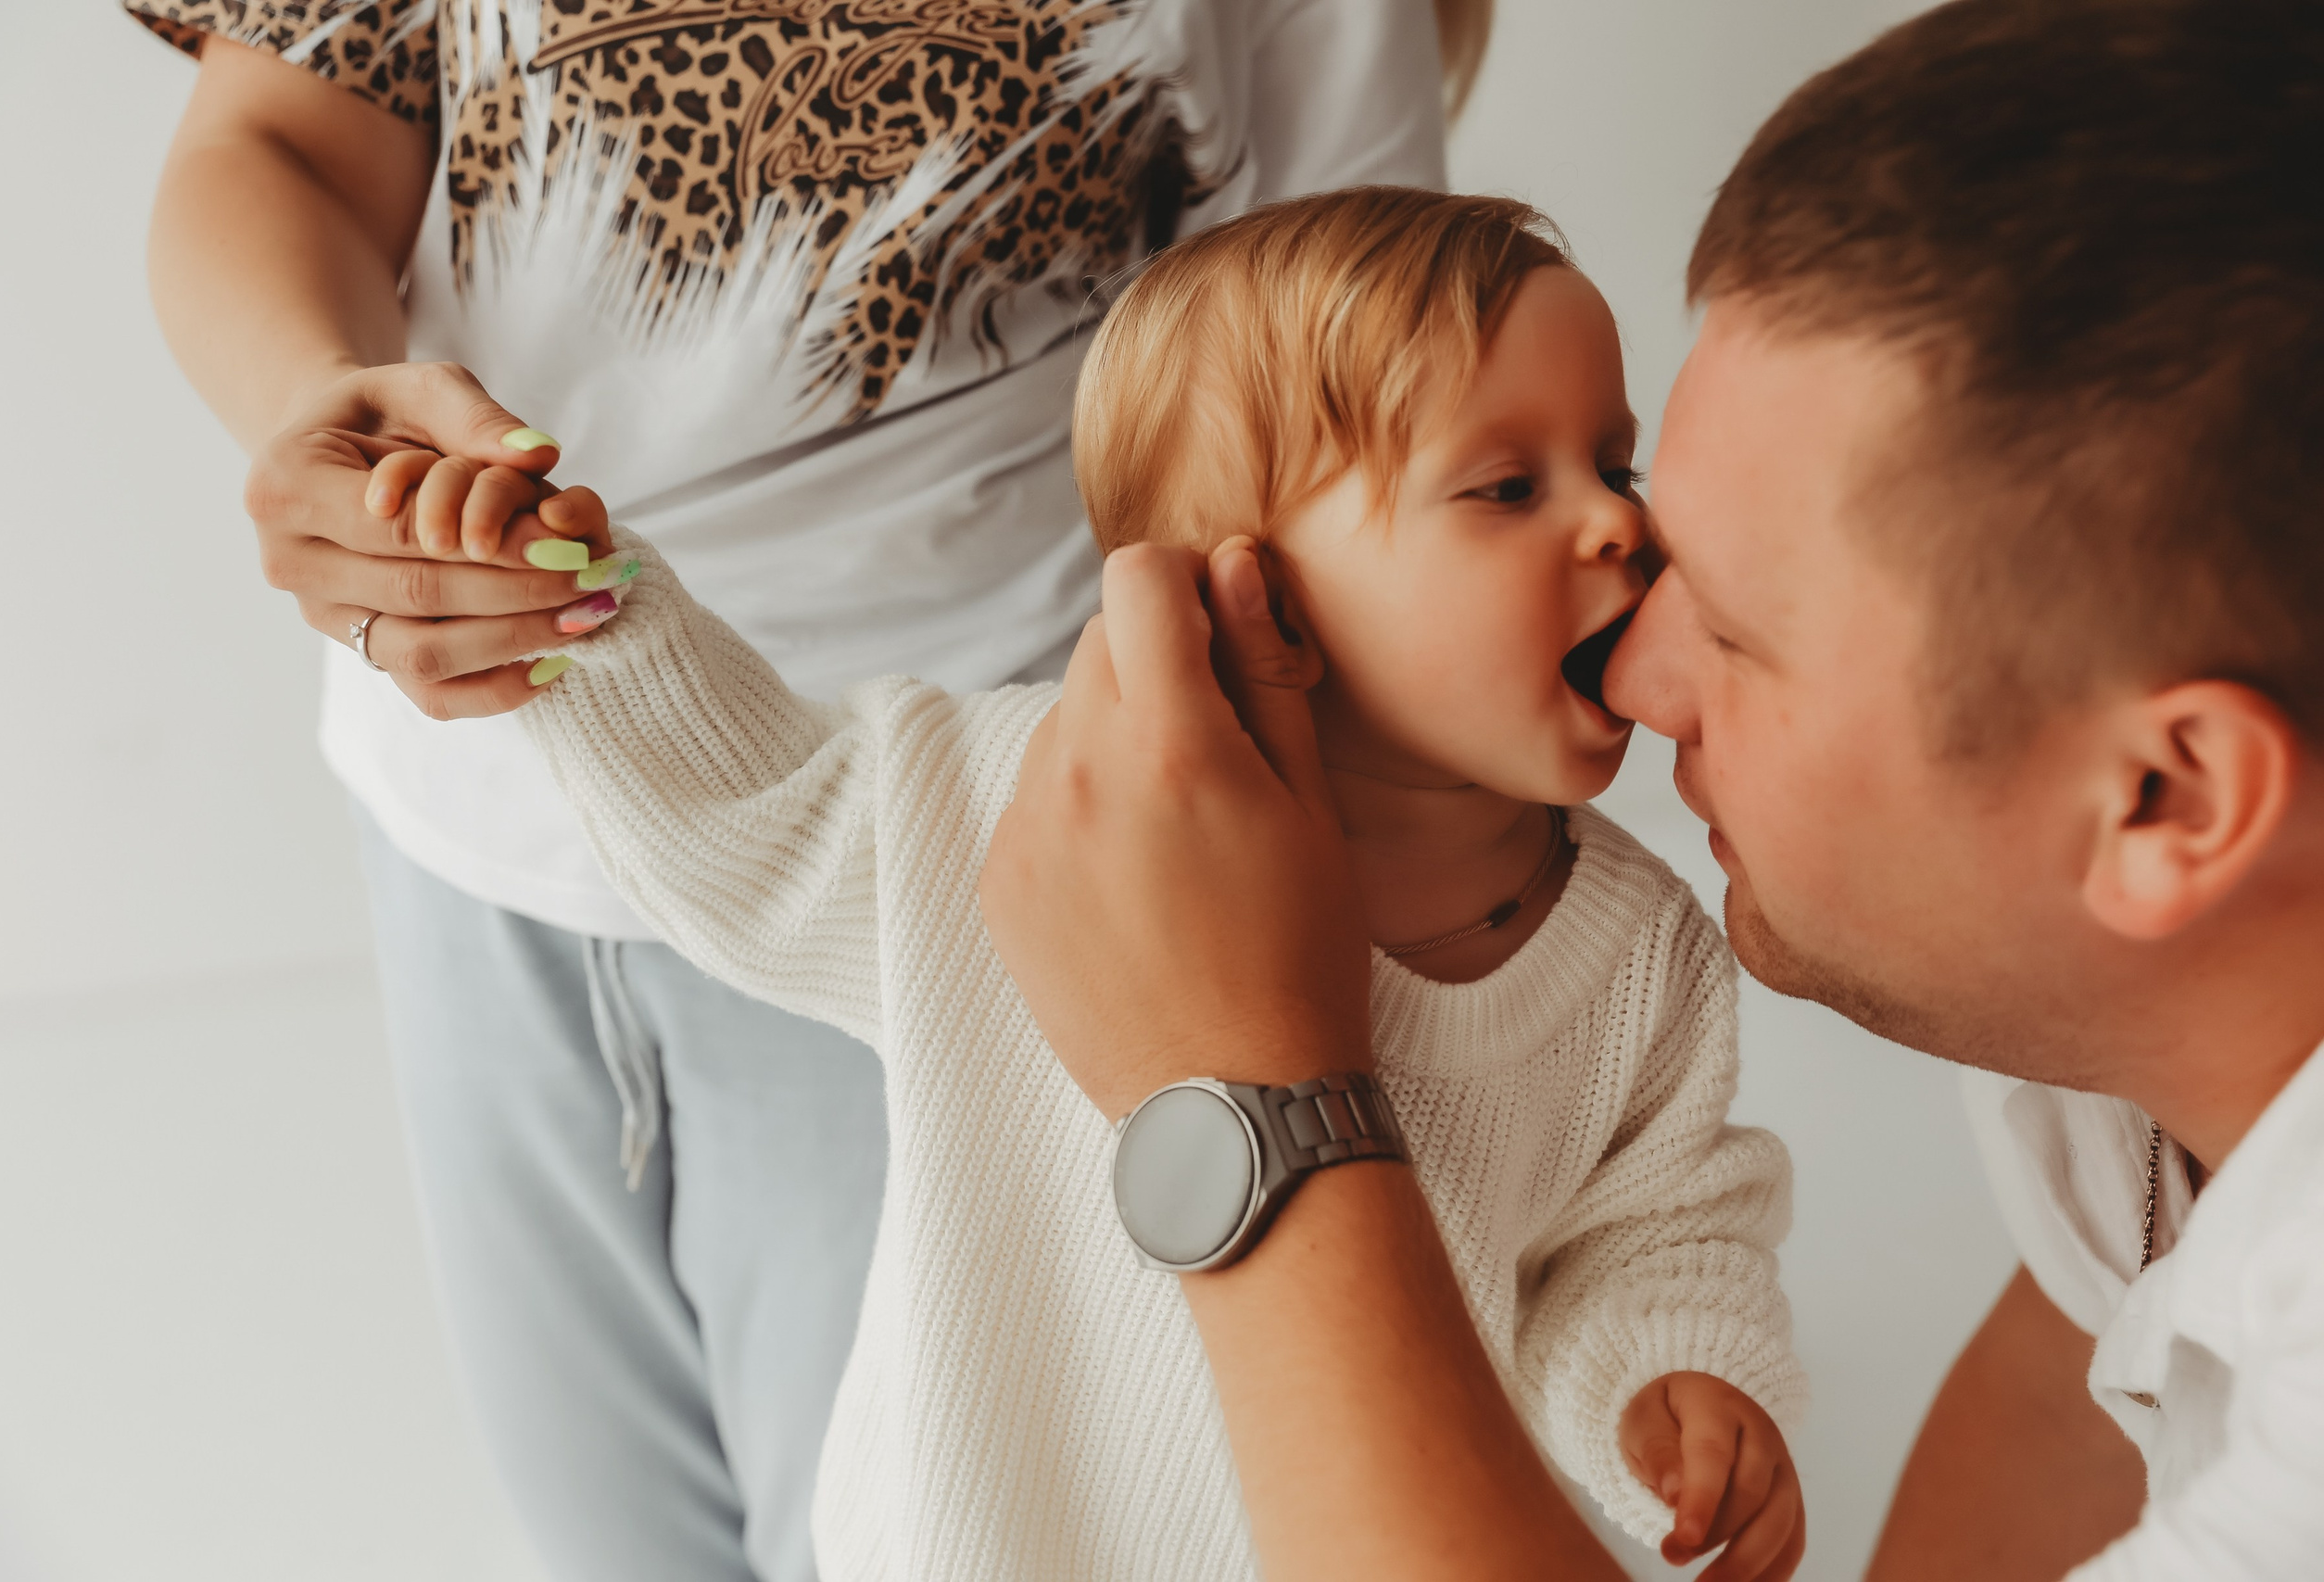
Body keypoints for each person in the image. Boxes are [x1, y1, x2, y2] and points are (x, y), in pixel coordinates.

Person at [978, 1, 2324, 1579]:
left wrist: (1241, 1095)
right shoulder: (2143, 1084)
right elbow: (2079, 1388)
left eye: (1739, 634)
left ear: (2166, 800)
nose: (1634, 670)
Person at [126, 3, 1466, 1578]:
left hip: (966, 848)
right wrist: (316, 403)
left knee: (905, 1535)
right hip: (466, 807)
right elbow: (283, 136)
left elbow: (1348, 352)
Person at [490, 186, 1806, 1579]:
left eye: (1618, 463)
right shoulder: (1033, 803)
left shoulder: (1640, 954)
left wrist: (1668, 1382)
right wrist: (591, 608)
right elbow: (756, 814)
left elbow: (1644, 1229)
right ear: (1258, 588)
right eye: (1507, 488)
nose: (1617, 524)